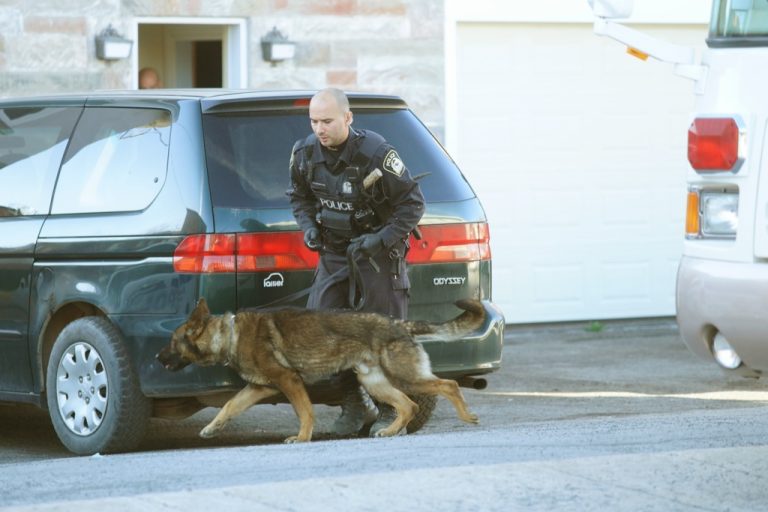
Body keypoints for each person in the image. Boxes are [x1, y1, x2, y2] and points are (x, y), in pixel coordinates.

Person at [288, 88, 425, 436]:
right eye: (314, 121)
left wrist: (380, 239)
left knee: (380, 337)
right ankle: (355, 404)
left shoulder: (375, 152)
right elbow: (300, 199)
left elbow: (412, 204)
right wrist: (308, 229)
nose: (320, 128)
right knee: (319, 334)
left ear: (348, 118)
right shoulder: (304, 153)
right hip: (334, 254)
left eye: (328, 121)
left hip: (377, 256)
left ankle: (390, 411)